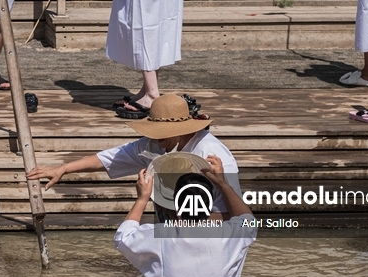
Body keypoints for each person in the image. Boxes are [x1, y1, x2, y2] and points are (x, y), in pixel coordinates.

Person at [28, 93, 243, 217]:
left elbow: (240, 218)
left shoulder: (213, 156)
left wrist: (186, 226)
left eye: (164, 134)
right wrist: (64, 168)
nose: (158, 138)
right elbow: (111, 158)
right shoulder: (153, 144)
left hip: (214, 243)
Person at [114, 162, 254, 277]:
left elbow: (123, 236)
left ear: (177, 206)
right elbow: (248, 220)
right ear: (209, 207)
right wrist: (222, 183)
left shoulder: (155, 236)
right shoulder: (228, 236)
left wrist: (142, 198)